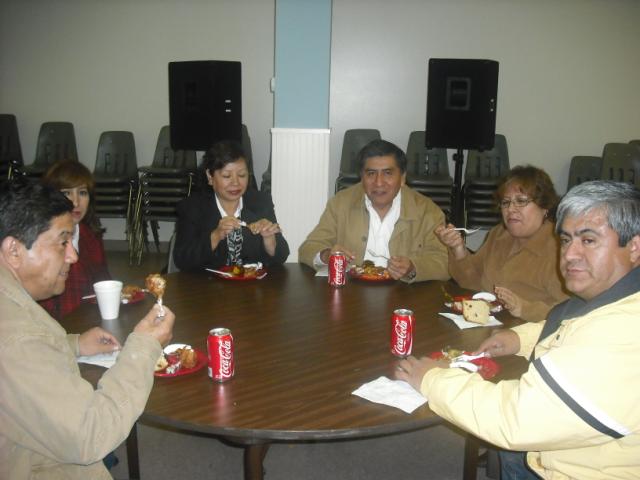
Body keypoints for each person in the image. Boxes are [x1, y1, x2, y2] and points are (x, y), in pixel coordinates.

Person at [396, 180, 640, 479]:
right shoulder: (617, 296)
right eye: (566, 240)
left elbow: (515, 419)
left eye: (588, 240)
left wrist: (431, 379)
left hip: (577, 469)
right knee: (508, 453)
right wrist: (520, 338)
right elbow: (575, 324)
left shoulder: (622, 334)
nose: (569, 254)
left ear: (634, 247)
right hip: (573, 446)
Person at [0, 181, 175, 479]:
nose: (73, 255)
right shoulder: (20, 338)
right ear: (14, 250)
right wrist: (144, 347)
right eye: (62, 242)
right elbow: (92, 435)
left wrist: (73, 344)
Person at [298, 139, 449, 282]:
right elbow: (308, 249)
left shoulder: (427, 210)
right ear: (361, 177)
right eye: (371, 174)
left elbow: (444, 262)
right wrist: (327, 255)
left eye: (388, 173)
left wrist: (412, 268)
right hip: (352, 292)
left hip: (404, 292)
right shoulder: (341, 203)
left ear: (403, 178)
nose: (379, 183)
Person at [435, 165, 568, 321]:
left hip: (529, 329)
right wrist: (458, 249)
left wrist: (523, 308)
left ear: (545, 207)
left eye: (521, 201)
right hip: (487, 322)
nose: (511, 209)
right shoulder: (499, 234)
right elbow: (471, 284)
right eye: (506, 202)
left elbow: (570, 310)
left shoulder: (560, 249)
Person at [174, 140, 289, 271]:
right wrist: (216, 236)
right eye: (227, 176)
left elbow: (282, 256)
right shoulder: (192, 207)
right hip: (208, 282)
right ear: (210, 177)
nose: (235, 183)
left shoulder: (261, 202)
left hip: (251, 282)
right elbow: (182, 260)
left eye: (242, 175)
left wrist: (269, 238)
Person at [38, 160, 110, 319]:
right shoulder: (42, 242)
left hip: (93, 320)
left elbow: (105, 283)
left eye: (82, 193)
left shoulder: (91, 235)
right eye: (67, 193)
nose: (76, 202)